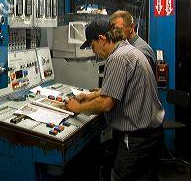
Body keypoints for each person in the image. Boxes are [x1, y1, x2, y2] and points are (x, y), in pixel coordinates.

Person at [65, 18, 165, 181]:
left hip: (136, 139)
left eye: (92, 45)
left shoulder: (117, 58)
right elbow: (121, 88)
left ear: (102, 39)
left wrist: (77, 108)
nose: (94, 51)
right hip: (150, 135)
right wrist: (91, 95)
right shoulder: (128, 50)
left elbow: (106, 103)